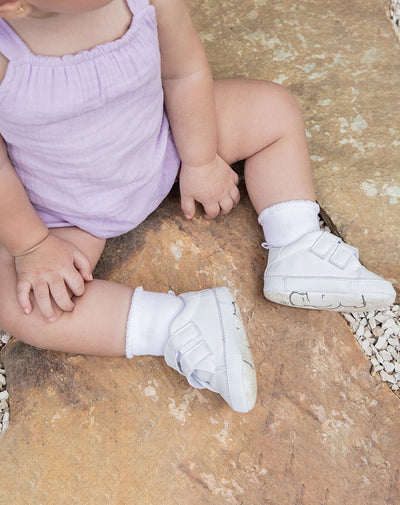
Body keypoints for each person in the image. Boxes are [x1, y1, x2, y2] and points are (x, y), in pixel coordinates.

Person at [0, 0, 395, 413]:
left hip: (166, 140)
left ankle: (297, 240)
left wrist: (201, 158)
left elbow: (183, 73)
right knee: (18, 302)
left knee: (272, 109)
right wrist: (32, 246)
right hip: (65, 208)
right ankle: (176, 323)